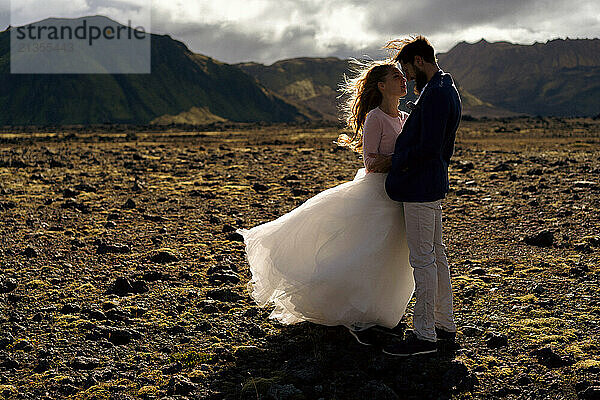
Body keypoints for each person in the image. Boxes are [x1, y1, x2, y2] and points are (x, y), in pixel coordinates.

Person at [236, 60, 415, 341]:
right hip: (377, 193)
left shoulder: (404, 117)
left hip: (399, 194)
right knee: (367, 251)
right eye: (396, 77)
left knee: (392, 252)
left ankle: (380, 310)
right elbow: (370, 162)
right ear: (381, 86)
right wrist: (402, 160)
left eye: (403, 76)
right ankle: (352, 309)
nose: (403, 80)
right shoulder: (375, 118)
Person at [371, 36, 462, 357]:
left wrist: (396, 160)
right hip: (430, 183)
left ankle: (424, 335)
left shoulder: (436, 94)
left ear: (420, 61)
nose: (407, 77)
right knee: (436, 254)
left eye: (408, 69)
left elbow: (428, 147)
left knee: (423, 260)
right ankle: (444, 323)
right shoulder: (443, 89)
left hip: (422, 186)